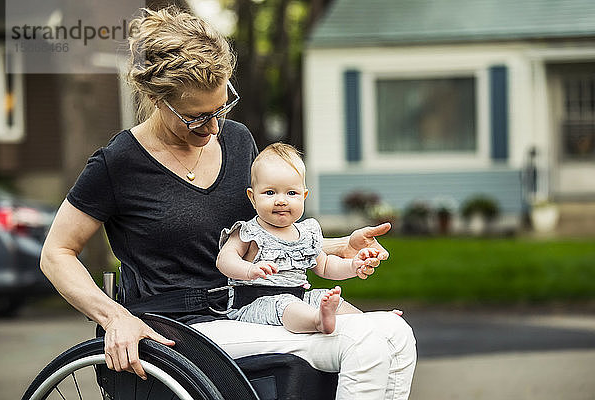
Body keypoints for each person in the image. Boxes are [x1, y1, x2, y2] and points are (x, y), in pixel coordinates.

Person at [40, 6, 416, 399]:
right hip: (182, 331)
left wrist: (339, 247)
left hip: (254, 307)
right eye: (195, 117)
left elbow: (264, 233)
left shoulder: (237, 141)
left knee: (396, 334)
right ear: (156, 98)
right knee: (369, 341)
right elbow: (57, 253)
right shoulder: (119, 163)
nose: (213, 127)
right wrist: (115, 317)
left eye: (221, 108)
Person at [217, 142, 383, 334]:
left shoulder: (306, 234)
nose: (281, 200)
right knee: (286, 304)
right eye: (270, 192)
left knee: (322, 298)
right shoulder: (248, 232)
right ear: (253, 198)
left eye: (291, 193)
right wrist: (249, 270)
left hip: (298, 297)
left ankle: (371, 325)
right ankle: (318, 321)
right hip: (254, 302)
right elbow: (224, 260)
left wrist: (353, 265)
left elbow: (326, 266)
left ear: (303, 196)